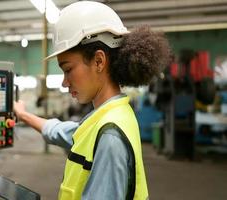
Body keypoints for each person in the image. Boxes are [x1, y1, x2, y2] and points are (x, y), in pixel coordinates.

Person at [14, 1, 171, 200]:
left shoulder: (110, 136)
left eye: (68, 69)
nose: (64, 82)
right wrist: (23, 115)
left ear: (99, 61)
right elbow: (62, 132)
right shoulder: (113, 115)